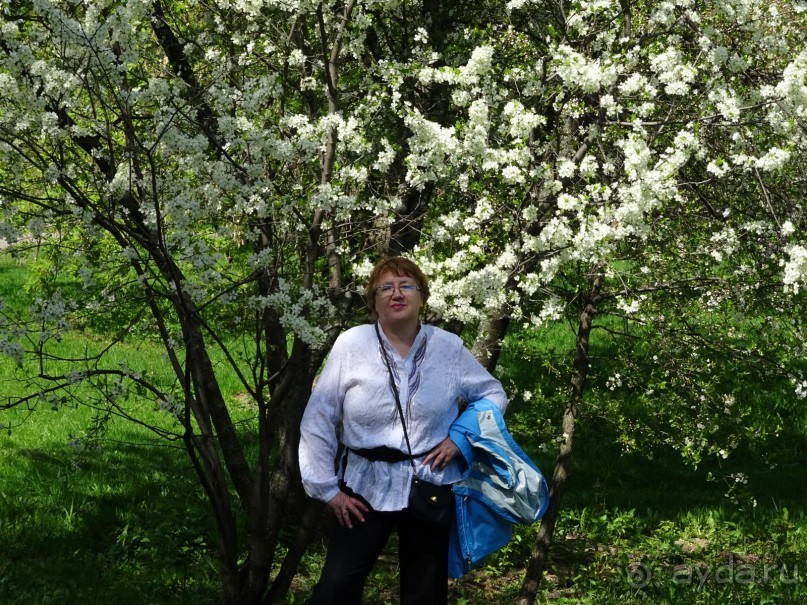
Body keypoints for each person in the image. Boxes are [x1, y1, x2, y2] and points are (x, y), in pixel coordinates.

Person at [298, 256, 507, 605]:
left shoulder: (448, 347)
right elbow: (318, 416)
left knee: (425, 593)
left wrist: (460, 438)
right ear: (374, 300)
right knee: (335, 589)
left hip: (429, 482)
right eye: (386, 288)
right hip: (363, 486)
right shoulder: (352, 344)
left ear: (422, 296)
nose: (396, 294)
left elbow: (492, 394)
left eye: (406, 285)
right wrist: (328, 490)